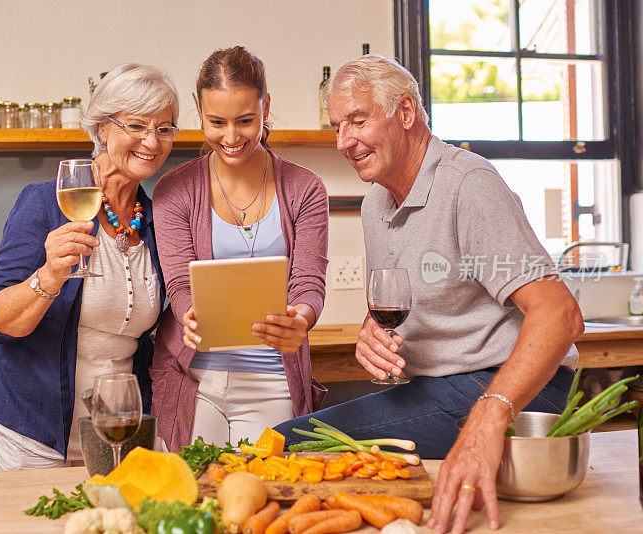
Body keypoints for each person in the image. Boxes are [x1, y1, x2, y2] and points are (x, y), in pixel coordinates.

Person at [273, 55, 583, 533]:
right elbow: (400, 301)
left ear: (405, 112)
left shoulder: (469, 185)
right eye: (337, 127)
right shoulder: (378, 198)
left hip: (512, 388)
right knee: (295, 446)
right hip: (438, 388)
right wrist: (370, 335)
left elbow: (560, 315)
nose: (344, 141)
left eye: (358, 120)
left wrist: (490, 414)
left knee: (289, 446)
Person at [0, 63, 179, 470]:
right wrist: (49, 276)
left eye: (164, 128)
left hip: (116, 427)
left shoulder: (157, 220)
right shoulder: (44, 202)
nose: (151, 141)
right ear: (102, 128)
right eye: (137, 125)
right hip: (35, 422)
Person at [151, 46, 329, 452]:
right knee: (197, 494)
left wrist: (300, 319)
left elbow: (308, 283)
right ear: (200, 113)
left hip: (272, 379)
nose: (230, 138)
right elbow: (179, 282)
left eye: (245, 121)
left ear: (266, 107)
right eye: (216, 122)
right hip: (196, 380)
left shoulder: (305, 188)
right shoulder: (174, 189)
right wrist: (188, 314)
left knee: (263, 495)